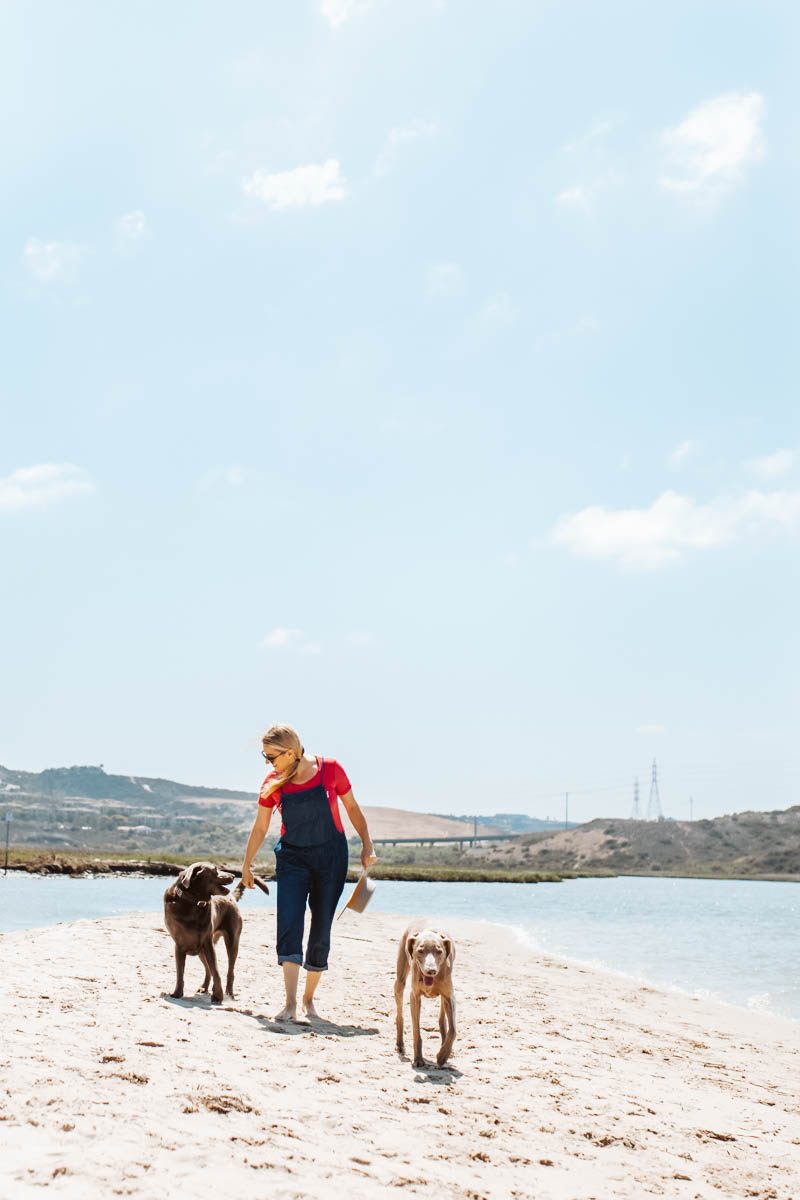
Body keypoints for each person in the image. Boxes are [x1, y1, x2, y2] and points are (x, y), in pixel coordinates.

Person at [241, 723, 376, 1021]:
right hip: (291, 858)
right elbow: (261, 826)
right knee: (289, 921)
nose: (268, 762)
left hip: (331, 857)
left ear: (290, 752)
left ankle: (308, 999)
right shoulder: (273, 780)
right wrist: (246, 864)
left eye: (271, 756)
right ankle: (290, 1003)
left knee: (321, 925)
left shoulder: (331, 770)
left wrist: (367, 845)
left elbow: (352, 809)